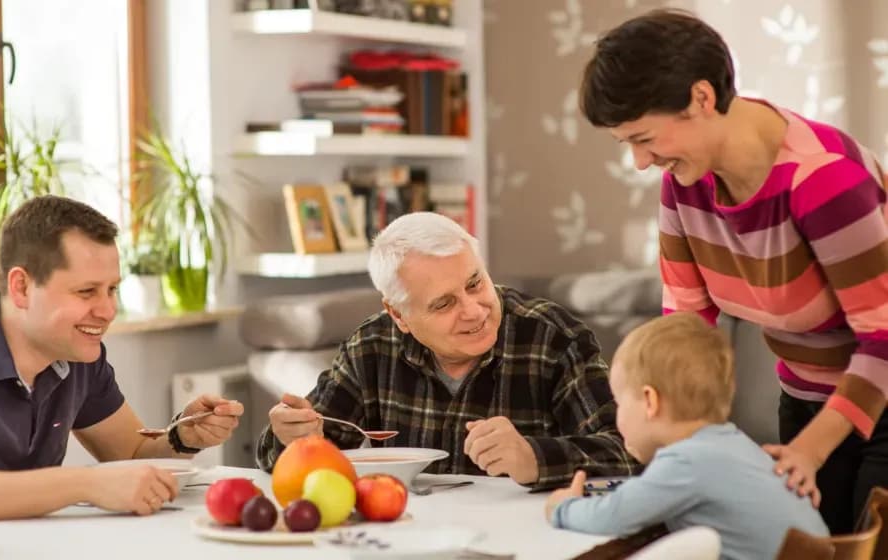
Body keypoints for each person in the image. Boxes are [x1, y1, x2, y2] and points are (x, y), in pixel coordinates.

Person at [579, 8, 888, 533]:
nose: (639, 161)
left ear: (702, 98)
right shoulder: (684, 183)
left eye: (643, 138)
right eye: (625, 143)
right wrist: (667, 447)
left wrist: (809, 452)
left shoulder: (823, 180)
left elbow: (883, 337)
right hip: (805, 397)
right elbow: (685, 329)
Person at [0, 195, 244, 520]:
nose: (107, 311)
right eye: (86, 291)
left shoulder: (78, 357)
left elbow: (132, 453)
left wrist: (182, 436)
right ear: (22, 287)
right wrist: (84, 484)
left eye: (112, 289)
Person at [256, 212, 637, 490]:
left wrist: (535, 458)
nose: (474, 311)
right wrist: (290, 438)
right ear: (398, 314)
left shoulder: (554, 339)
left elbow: (628, 453)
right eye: (444, 304)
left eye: (475, 283)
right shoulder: (371, 347)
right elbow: (297, 454)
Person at [545, 313, 829, 560]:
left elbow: (613, 516)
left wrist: (564, 507)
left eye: (619, 402)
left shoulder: (686, 461)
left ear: (649, 401)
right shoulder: (735, 445)